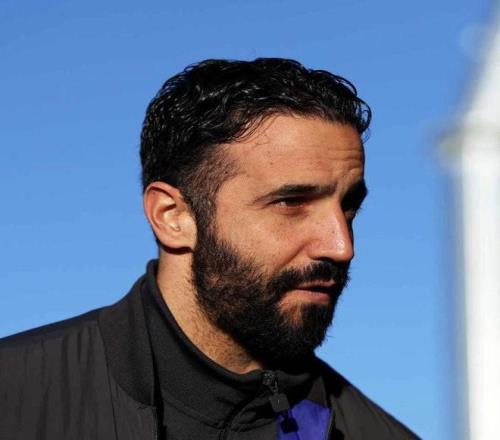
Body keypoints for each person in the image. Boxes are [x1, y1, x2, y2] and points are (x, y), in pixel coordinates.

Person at [0, 58, 419, 439]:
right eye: (291, 203)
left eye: (349, 207)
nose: (341, 247)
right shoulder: (16, 398)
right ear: (173, 216)